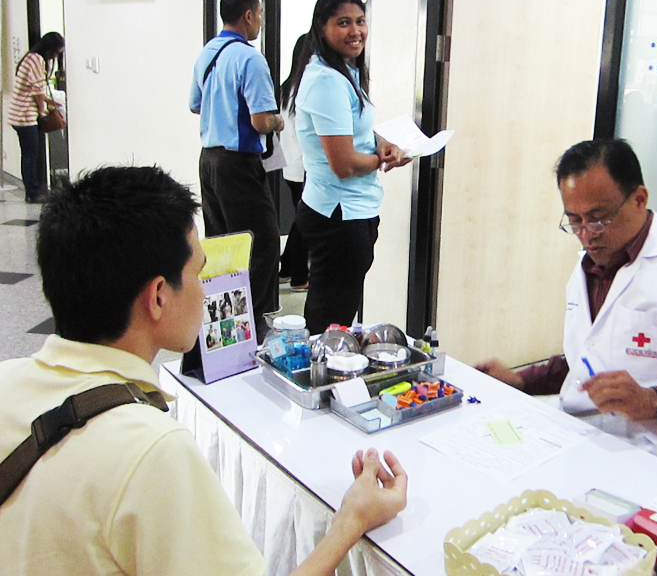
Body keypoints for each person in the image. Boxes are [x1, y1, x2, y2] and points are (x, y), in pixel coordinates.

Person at [0, 166, 407, 575]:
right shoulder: (152, 450)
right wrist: (351, 520)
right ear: (158, 297)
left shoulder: (6, 382)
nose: (206, 287)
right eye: (198, 272)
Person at [476, 139, 657, 481]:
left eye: (599, 219)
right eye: (575, 221)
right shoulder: (589, 268)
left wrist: (655, 402)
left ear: (639, 199)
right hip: (581, 437)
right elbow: (591, 360)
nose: (586, 235)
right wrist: (522, 379)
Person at [287, 0, 411, 335]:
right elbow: (343, 164)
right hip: (339, 216)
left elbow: (354, 132)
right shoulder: (326, 80)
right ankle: (323, 384)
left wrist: (382, 143)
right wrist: (385, 160)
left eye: (360, 21)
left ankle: (329, 377)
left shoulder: (344, 70)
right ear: (321, 27)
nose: (356, 31)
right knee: (330, 323)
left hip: (349, 211)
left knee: (337, 313)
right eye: (344, 22)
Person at [189, 0, 283, 343]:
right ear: (248, 15)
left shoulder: (208, 53)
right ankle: (253, 324)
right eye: (259, 14)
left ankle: (224, 324)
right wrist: (277, 121)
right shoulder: (250, 58)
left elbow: (195, 105)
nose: (260, 21)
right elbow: (262, 120)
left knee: (223, 245)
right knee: (261, 244)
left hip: (209, 160)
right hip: (238, 164)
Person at [8, 31, 64, 203]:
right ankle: (33, 193)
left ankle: (34, 189)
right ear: (50, 48)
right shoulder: (36, 60)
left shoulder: (30, 57)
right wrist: (43, 112)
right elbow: (37, 92)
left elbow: (32, 89)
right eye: (57, 51)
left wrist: (47, 100)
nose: (56, 55)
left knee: (30, 154)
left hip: (19, 114)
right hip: (25, 116)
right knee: (31, 155)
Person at [278, 33, 311, 291]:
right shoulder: (305, 90)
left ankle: (287, 267)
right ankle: (299, 276)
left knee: (299, 220)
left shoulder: (285, 88)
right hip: (304, 166)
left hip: (289, 165)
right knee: (304, 223)